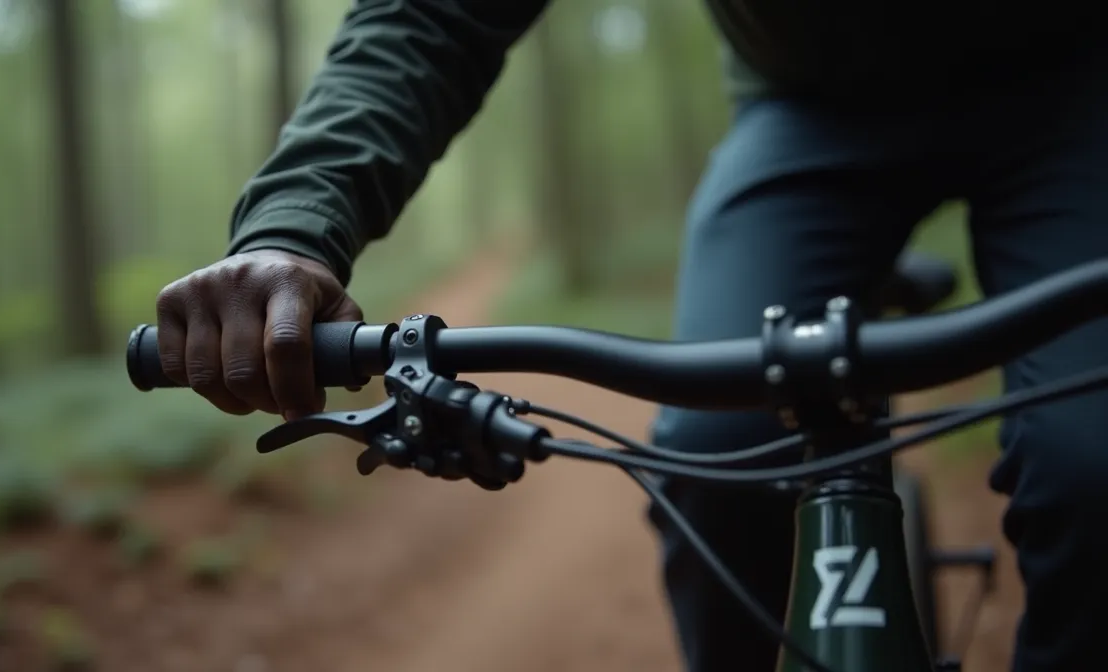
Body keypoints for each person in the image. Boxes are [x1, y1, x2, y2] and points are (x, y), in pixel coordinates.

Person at [152, 2, 1107, 670]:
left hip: (1075, 84)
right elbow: (428, 14)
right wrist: (291, 226)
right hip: (808, 116)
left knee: (1091, 464)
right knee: (711, 457)